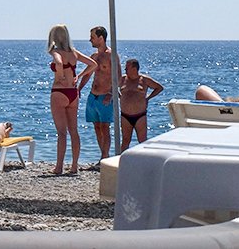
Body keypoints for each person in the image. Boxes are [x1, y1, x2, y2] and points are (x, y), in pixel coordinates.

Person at [47, 24, 97, 175]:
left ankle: (59, 167)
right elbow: (93, 64)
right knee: (74, 131)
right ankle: (74, 166)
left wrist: (60, 76)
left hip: (60, 92)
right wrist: (78, 76)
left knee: (62, 132)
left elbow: (59, 63)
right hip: (73, 92)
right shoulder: (74, 53)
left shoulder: (55, 51)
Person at [78, 26, 118, 162]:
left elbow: (118, 76)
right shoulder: (94, 56)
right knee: (97, 127)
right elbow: (88, 74)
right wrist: (79, 88)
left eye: (92, 37)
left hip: (105, 96)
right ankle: (103, 155)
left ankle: (105, 157)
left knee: (105, 127)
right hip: (93, 96)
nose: (90, 40)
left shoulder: (111, 55)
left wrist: (111, 94)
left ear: (101, 38)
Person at [118, 58, 164, 151]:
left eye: (127, 68)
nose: (125, 70)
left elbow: (159, 88)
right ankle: (121, 158)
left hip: (140, 115)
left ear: (134, 68)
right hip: (125, 115)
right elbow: (111, 87)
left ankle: (144, 159)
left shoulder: (144, 80)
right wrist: (120, 96)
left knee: (142, 141)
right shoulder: (122, 79)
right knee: (125, 141)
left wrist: (148, 98)